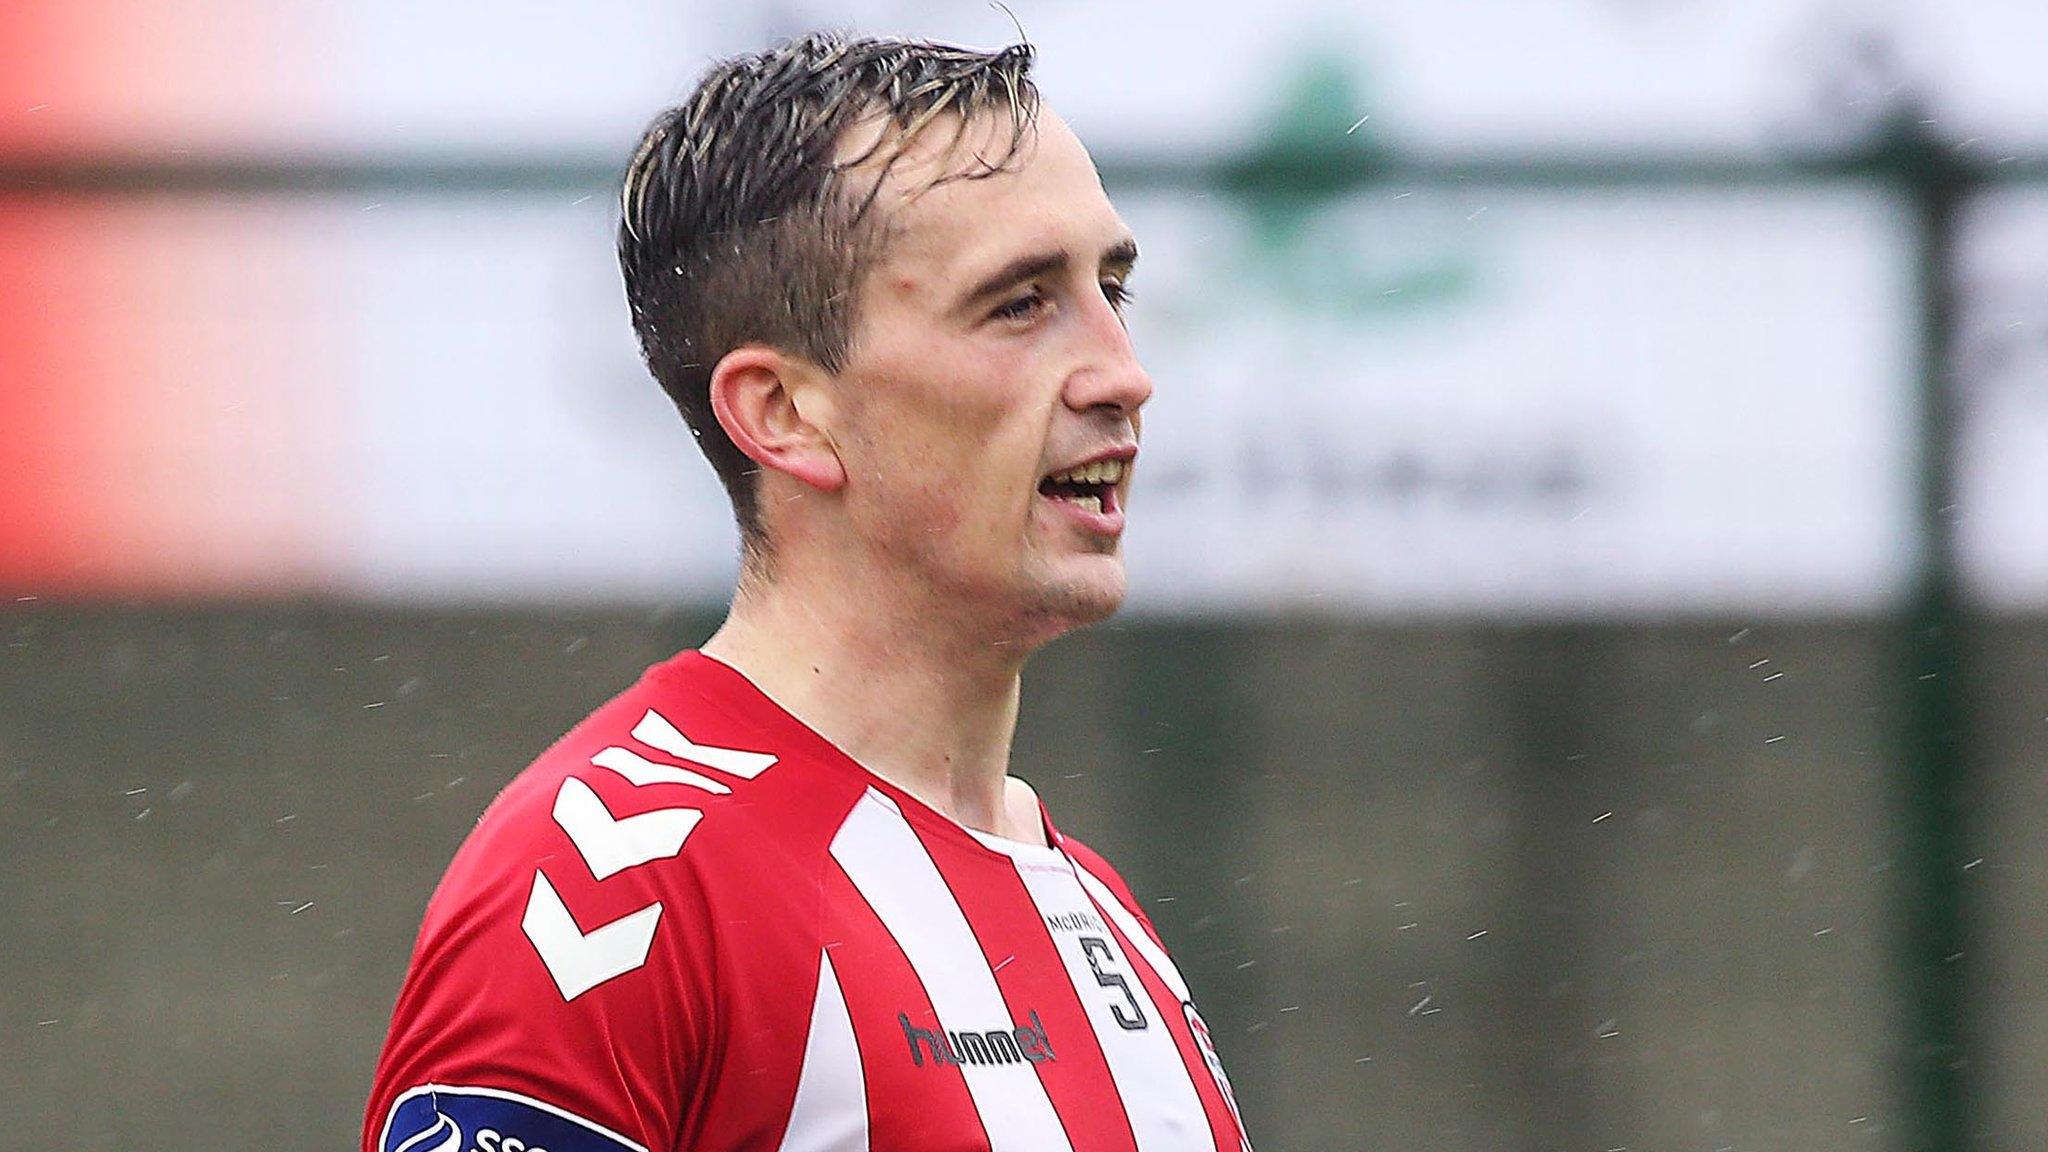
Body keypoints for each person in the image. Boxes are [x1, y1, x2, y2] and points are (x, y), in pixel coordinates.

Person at [363, 31, 1252, 1152]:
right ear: (783, 413)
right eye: (1020, 305)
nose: (1124, 374)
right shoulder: (610, 890)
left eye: (1110, 287)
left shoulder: (1097, 911)